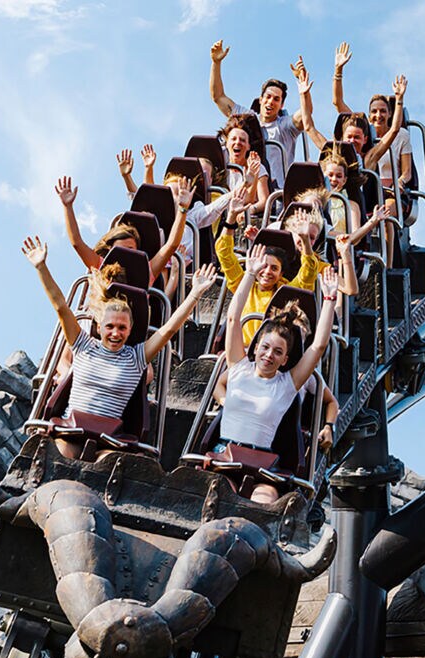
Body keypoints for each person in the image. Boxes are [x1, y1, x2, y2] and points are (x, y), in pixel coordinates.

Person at [21, 235, 216, 459]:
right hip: (71, 431)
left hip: (108, 440)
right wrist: (41, 267)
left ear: (130, 330)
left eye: (122, 328)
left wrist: (195, 294)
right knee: (59, 455)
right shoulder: (83, 345)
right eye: (110, 327)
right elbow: (61, 307)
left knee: (113, 464)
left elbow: (169, 329)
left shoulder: (136, 357)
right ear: (100, 327)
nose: (115, 333)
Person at [216, 244, 339, 503]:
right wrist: (249, 274)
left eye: (277, 352)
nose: (269, 355)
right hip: (225, 455)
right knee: (219, 492)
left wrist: (329, 300)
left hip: (263, 464)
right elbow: (233, 319)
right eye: (265, 347)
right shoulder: (238, 367)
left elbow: (318, 346)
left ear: (285, 359)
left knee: (264, 500)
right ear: (256, 347)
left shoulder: (286, 384)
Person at [216, 193, 328, 344]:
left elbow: (308, 273)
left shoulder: (285, 292)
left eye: (274, 268)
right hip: (242, 349)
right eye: (263, 266)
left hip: (270, 352)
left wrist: (305, 240)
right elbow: (224, 253)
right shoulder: (244, 284)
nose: (267, 271)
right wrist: (231, 218)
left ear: (281, 273)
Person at [209, 40, 312, 189]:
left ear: (282, 105)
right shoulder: (247, 119)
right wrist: (216, 63)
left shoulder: (284, 126)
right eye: (268, 97)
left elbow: (306, 114)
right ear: (261, 99)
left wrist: (304, 92)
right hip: (243, 188)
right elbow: (218, 97)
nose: (271, 102)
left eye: (276, 99)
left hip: (275, 193)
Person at [56, 175, 193, 283]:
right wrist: (67, 207)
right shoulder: (101, 266)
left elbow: (171, 245)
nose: (126, 254)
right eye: (121, 249)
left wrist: (182, 209)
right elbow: (77, 242)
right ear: (111, 250)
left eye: (131, 249)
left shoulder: (146, 272)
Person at [332, 43, 413, 193]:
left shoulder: (400, 135)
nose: (378, 115)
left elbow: (407, 171)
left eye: (383, 111)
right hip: (365, 185)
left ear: (390, 114)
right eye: (374, 112)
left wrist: (399, 99)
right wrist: (338, 70)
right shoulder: (361, 130)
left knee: (387, 203)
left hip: (390, 189)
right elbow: (338, 102)